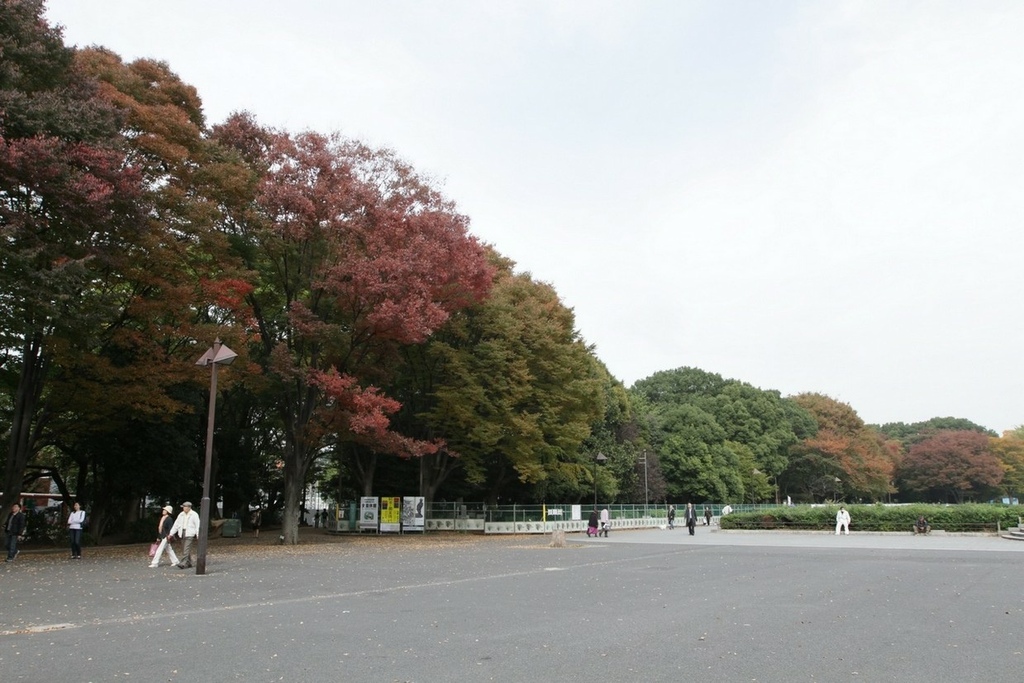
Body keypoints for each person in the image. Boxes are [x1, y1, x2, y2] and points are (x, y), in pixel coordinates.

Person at [169, 501, 201, 569]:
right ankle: (188, 562)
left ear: (188, 507)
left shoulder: (194, 514)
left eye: (184, 507)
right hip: (182, 532)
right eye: (183, 507)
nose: (183, 508)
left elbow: (197, 525)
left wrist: (198, 534)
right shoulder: (181, 514)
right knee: (185, 548)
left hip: (190, 533)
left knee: (186, 548)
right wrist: (171, 533)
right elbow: (176, 525)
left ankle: (183, 563)